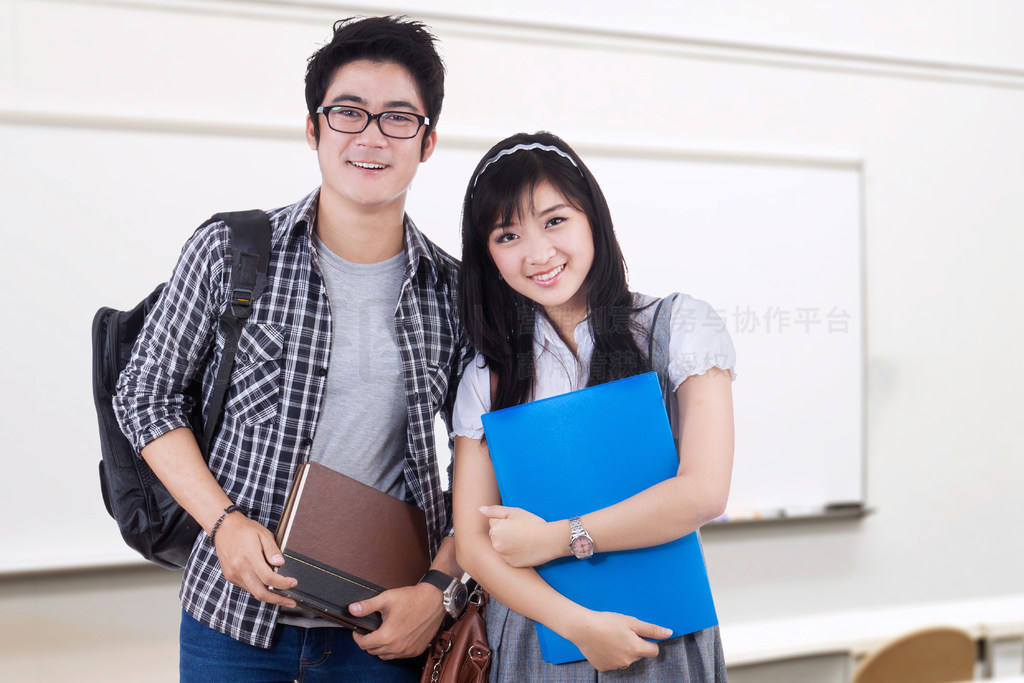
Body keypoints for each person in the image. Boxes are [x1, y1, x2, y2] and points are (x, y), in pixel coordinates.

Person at [114, 16, 471, 682]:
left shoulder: (452, 293)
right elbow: (144, 392)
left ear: (427, 143)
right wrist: (222, 523)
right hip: (232, 618)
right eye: (348, 113)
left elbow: (485, 459)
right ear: (313, 128)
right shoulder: (231, 251)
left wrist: (438, 590)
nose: (370, 136)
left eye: (398, 118)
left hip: (380, 630)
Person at [451, 131, 736, 681]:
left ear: (593, 220)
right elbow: (473, 545)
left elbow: (703, 491)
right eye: (508, 235)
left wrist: (559, 538)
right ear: (487, 255)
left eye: (555, 220)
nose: (538, 253)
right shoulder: (489, 375)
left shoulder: (678, 326)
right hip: (538, 638)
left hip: (659, 633)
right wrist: (579, 625)